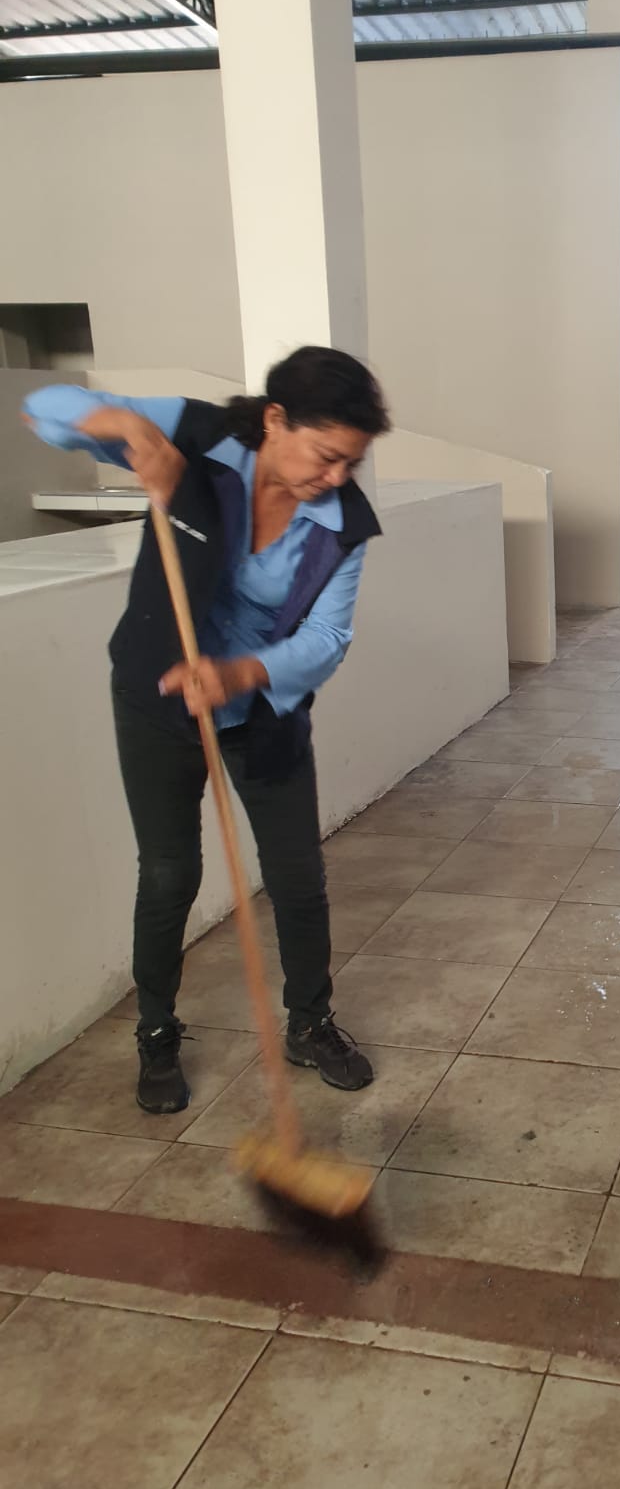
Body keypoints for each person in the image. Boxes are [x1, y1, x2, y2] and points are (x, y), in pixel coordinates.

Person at [23, 346, 391, 1115]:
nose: (336, 477)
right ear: (276, 419)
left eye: (350, 464)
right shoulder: (200, 435)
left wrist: (244, 673)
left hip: (260, 705)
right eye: (325, 456)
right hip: (157, 695)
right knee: (168, 873)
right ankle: (156, 1034)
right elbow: (46, 412)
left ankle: (310, 1023)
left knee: (297, 875)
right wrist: (131, 429)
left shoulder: (343, 524)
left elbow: (328, 638)